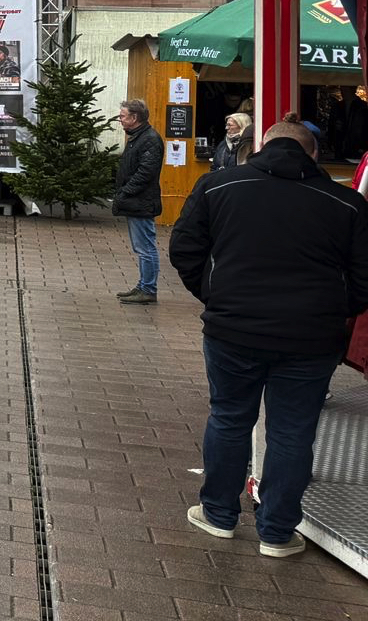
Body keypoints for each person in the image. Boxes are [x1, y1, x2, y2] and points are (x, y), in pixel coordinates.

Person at [170, 115, 368, 557]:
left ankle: (218, 515)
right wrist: (336, 310)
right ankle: (277, 532)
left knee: (229, 418)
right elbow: (364, 277)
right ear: (313, 154)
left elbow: (184, 248)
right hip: (311, 338)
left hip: (233, 329)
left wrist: (214, 294)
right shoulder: (347, 204)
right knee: (293, 431)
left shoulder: (218, 186)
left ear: (261, 146)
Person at [114, 99, 164, 305]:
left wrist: (125, 192)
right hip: (136, 201)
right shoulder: (138, 137)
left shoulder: (149, 139)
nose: (120, 120)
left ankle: (148, 289)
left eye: (122, 116)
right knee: (141, 247)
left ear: (134, 118)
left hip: (141, 202)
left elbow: (146, 172)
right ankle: (143, 285)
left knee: (145, 248)